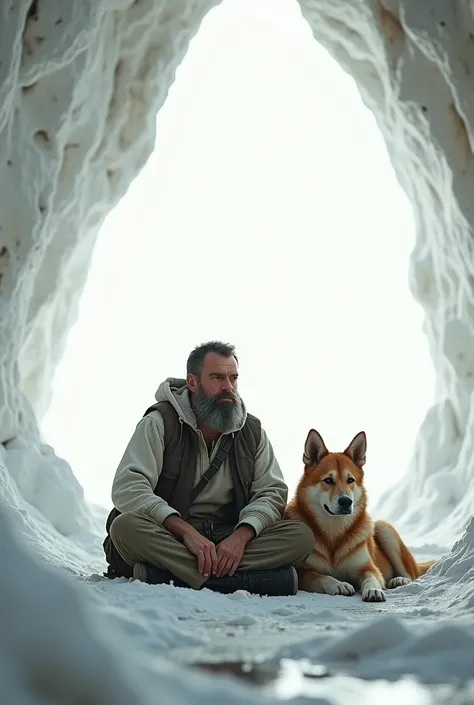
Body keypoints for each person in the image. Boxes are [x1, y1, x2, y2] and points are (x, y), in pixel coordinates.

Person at [103, 341, 314, 596]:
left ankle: (171, 576)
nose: (228, 387)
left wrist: (241, 537)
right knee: (125, 527)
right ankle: (242, 580)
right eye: (217, 377)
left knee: (301, 536)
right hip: (171, 535)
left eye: (233, 378)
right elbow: (129, 486)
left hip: (229, 535)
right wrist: (185, 531)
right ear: (192, 382)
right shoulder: (159, 423)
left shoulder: (252, 431)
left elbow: (271, 492)